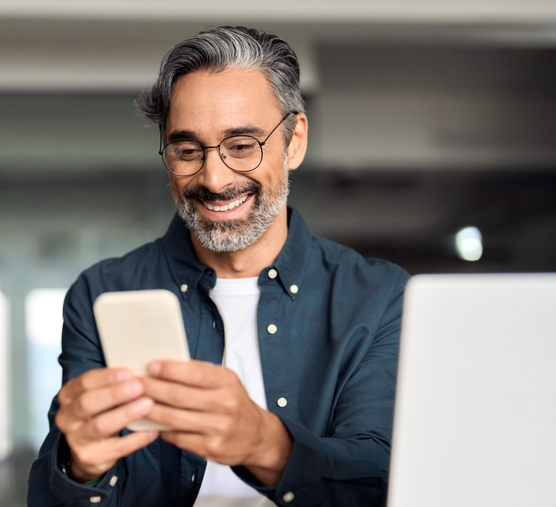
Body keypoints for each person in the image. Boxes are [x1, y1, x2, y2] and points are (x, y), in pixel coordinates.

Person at [27, 26, 409, 507]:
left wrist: (264, 443)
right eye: (187, 150)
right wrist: (79, 465)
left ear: (294, 142)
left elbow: (385, 479)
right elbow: (50, 496)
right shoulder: (104, 293)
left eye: (242, 145)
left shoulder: (379, 298)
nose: (213, 177)